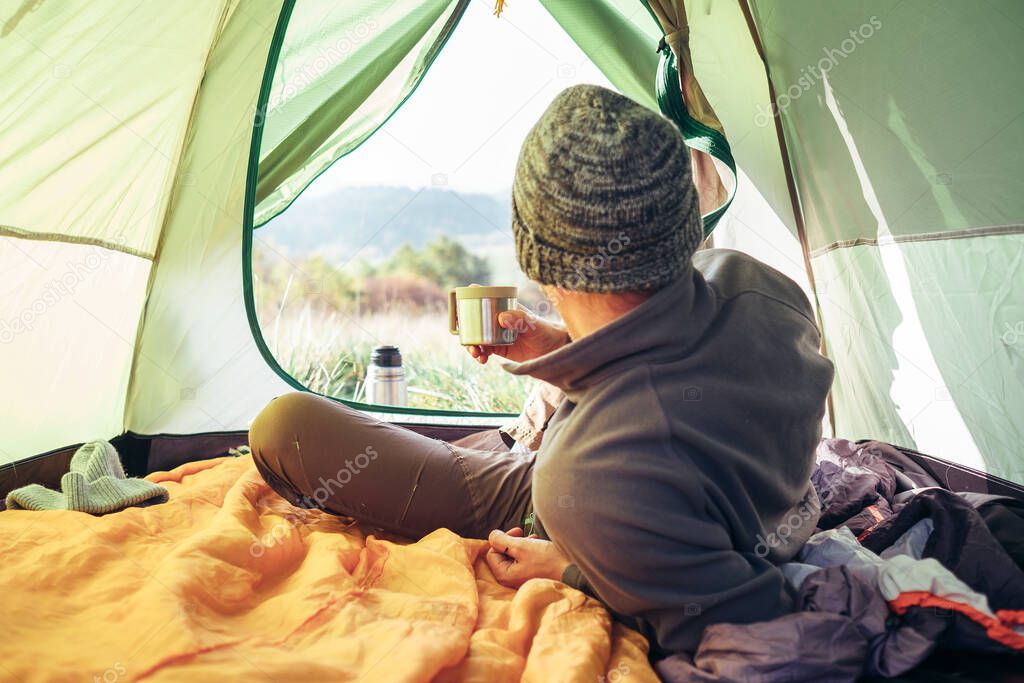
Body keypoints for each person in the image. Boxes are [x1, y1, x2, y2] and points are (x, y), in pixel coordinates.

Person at [248, 84, 834, 656]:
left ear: (539, 260)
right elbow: (680, 375)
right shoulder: (759, 285)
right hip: (721, 500)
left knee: (286, 427)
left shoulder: (585, 482)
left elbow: (745, 625)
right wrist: (556, 347)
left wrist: (574, 570)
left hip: (585, 506)